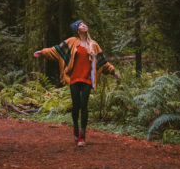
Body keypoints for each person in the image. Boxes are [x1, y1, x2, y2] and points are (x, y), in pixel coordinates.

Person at [33, 19, 119, 147]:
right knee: (76, 105)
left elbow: (103, 62)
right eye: (80, 25)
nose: (84, 26)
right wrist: (43, 52)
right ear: (77, 29)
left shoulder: (94, 45)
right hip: (74, 79)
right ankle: (75, 127)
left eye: (84, 24)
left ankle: (82, 135)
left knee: (84, 105)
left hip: (87, 80)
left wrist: (113, 71)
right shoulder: (72, 42)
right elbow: (56, 50)